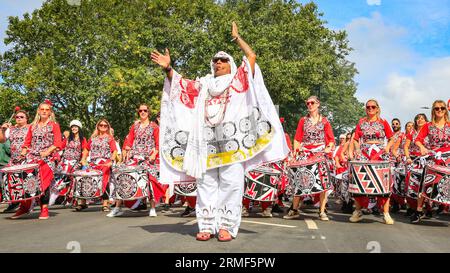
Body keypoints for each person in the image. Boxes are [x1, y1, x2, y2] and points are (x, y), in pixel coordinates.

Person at [151, 22, 288, 241]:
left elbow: (251, 57)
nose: (218, 62)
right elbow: (180, 87)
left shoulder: (237, 81)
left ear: (230, 63)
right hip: (205, 144)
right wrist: (168, 68)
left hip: (232, 144)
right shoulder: (203, 84)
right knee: (205, 185)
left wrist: (237, 38)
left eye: (223, 59)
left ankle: (226, 227)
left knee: (231, 186)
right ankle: (206, 225)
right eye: (215, 60)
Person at [283, 96, 335, 221]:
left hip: (319, 154)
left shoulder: (325, 121)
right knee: (299, 180)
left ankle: (322, 211)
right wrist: (296, 153)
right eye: (308, 103)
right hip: (305, 153)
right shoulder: (303, 120)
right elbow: (297, 138)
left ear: (318, 104)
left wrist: (328, 147)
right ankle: (294, 209)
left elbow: (331, 140)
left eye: (312, 103)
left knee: (322, 182)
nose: (309, 105)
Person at [107, 104, 163, 217]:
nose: (142, 112)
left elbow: (158, 144)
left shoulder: (154, 127)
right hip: (135, 157)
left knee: (150, 178)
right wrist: (126, 150)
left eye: (145, 110)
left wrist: (154, 155)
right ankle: (117, 207)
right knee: (121, 174)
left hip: (148, 158)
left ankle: (152, 207)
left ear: (148, 112)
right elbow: (129, 141)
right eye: (140, 110)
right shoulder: (135, 126)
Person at [348, 99, 395, 224]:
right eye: (368, 107)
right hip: (364, 153)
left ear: (377, 108)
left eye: (373, 107)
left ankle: (386, 213)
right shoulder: (361, 122)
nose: (370, 109)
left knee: (384, 182)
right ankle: (357, 211)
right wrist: (357, 149)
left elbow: (391, 138)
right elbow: (356, 139)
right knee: (359, 181)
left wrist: (386, 148)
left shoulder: (383, 122)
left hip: (379, 153)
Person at [14, 100, 63, 220]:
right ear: (38, 111)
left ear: (50, 112)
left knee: (42, 182)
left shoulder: (54, 125)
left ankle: (44, 208)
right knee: (25, 179)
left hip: (48, 159)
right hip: (33, 157)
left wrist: (47, 152)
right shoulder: (32, 126)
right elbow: (27, 143)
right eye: (42, 109)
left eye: (47, 110)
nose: (44, 111)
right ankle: (24, 207)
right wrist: (22, 154)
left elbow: (58, 143)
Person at [411, 100, 450, 223]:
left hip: (448, 156)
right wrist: (422, 147)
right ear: (433, 110)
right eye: (437, 108)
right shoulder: (428, 125)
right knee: (424, 182)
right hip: (433, 156)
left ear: (445, 110)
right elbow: (417, 140)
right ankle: (418, 211)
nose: (439, 110)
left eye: (442, 108)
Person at [79, 119, 117, 212]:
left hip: (105, 162)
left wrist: (111, 161)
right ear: (98, 126)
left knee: (104, 180)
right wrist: (83, 159)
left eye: (105, 125)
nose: (103, 127)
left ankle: (105, 203)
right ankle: (83, 202)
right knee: (85, 178)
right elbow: (86, 150)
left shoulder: (110, 138)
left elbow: (114, 151)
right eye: (101, 125)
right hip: (93, 162)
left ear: (108, 127)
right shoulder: (93, 138)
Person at [50, 120, 88, 207]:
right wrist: (53, 152)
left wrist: (83, 160)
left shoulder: (83, 140)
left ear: (79, 128)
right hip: (64, 161)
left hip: (75, 162)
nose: (74, 128)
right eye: (72, 127)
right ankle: (54, 196)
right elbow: (59, 147)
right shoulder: (67, 139)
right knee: (58, 178)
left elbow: (85, 151)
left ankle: (73, 199)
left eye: (76, 127)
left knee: (74, 180)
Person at [0, 109, 30, 213]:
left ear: (26, 119)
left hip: (27, 158)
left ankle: (27, 203)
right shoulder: (10, 129)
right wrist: (3, 130)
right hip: (13, 160)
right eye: (17, 117)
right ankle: (14, 202)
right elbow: (2, 140)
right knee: (9, 181)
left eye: (22, 117)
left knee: (25, 182)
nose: (19, 118)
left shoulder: (31, 128)